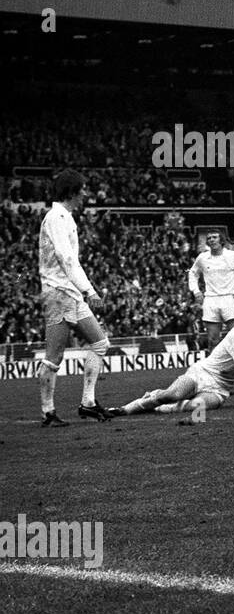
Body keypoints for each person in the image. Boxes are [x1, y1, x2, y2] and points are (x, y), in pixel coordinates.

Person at [106, 301, 234, 419]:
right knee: (172, 394)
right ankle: (125, 409)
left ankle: (161, 409)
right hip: (202, 374)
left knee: (197, 407)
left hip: (220, 389)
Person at [37, 170, 114, 426]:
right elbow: (66, 258)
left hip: (67, 292)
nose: (85, 194)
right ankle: (48, 411)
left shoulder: (63, 216)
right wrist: (89, 290)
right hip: (59, 292)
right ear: (71, 191)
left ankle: (87, 403)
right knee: (54, 355)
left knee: (100, 344)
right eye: (82, 189)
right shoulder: (56, 217)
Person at [188, 229, 234, 350]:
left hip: (229, 298)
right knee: (212, 340)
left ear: (221, 240)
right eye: (209, 238)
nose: (211, 240)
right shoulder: (202, 257)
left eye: (214, 237)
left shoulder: (233, 256)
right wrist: (195, 291)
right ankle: (214, 368)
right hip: (211, 300)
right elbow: (192, 273)